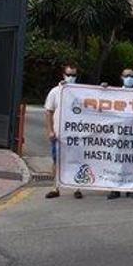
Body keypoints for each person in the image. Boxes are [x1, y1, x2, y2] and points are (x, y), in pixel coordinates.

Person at [44, 64, 82, 199]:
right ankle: (55, 188)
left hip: (77, 135)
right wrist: (50, 131)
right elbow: (48, 112)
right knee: (57, 160)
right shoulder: (55, 92)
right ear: (63, 75)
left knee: (77, 160)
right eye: (69, 74)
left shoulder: (82, 92)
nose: (71, 77)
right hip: (59, 134)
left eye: (74, 75)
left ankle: (77, 188)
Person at [108, 68, 133, 201]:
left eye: (132, 76)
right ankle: (114, 189)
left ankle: (131, 189)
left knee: (132, 161)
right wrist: (102, 90)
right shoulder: (115, 93)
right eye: (126, 76)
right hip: (118, 133)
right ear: (121, 77)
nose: (129, 78)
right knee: (116, 161)